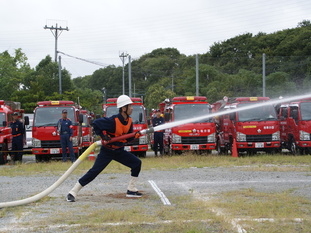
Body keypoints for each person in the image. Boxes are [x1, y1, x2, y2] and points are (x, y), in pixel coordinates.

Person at [66, 95, 142, 202]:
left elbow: (127, 139)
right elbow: (95, 123)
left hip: (119, 150)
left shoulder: (129, 121)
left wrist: (135, 136)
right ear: (124, 108)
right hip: (107, 151)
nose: (132, 108)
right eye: (130, 106)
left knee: (136, 163)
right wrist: (103, 135)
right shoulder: (112, 121)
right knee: (94, 171)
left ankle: (131, 189)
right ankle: (73, 192)